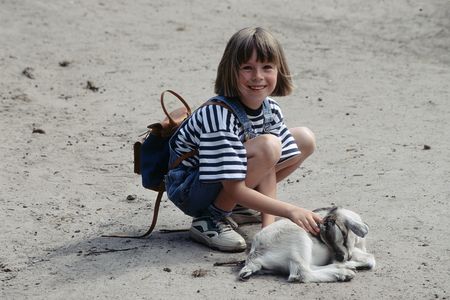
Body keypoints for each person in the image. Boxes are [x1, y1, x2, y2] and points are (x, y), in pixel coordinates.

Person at [165, 27, 322, 252]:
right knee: (268, 146)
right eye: (247, 68)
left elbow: (267, 168)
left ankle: (238, 208)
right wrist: (290, 210)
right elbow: (233, 184)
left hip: (226, 179)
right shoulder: (218, 114)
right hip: (191, 189)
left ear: (279, 70)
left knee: (304, 139)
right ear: (231, 71)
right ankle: (210, 219)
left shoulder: (271, 109)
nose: (257, 76)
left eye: (267, 67)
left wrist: (268, 230)